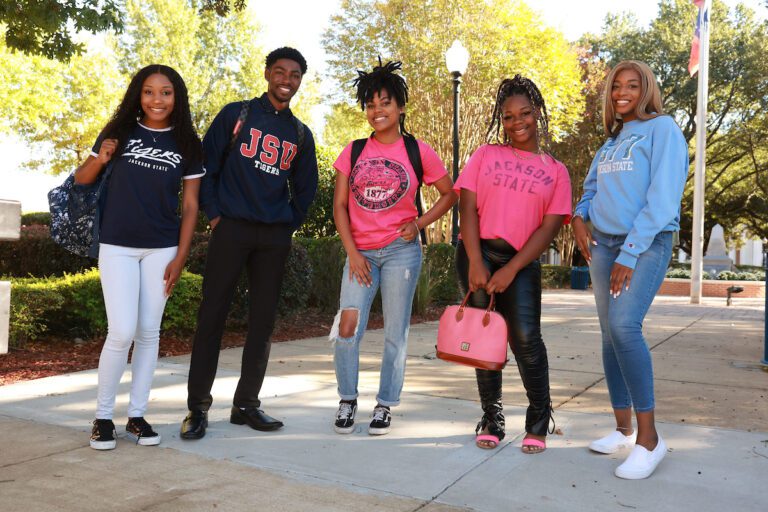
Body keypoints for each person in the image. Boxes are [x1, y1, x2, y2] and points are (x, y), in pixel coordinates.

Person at [180, 47, 318, 440]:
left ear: (299, 81)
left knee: (262, 323)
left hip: (272, 237)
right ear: (267, 74)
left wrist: (287, 225)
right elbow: (206, 166)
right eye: (280, 72)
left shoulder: (300, 134)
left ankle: (246, 405)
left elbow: (306, 190)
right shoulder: (236, 115)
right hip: (232, 228)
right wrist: (215, 213)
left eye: (294, 75)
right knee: (212, 317)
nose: (286, 80)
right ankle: (197, 409)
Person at [76, 65, 204, 450]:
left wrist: (181, 256)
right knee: (122, 332)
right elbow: (82, 179)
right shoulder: (119, 131)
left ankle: (136, 416)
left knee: (149, 332)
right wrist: (101, 157)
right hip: (117, 244)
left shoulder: (188, 143)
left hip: (162, 247)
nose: (157, 100)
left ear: (176, 97)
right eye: (149, 92)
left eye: (166, 92)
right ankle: (102, 418)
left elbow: (192, 206)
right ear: (138, 94)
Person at [572, 60, 687, 479]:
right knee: (608, 334)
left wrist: (630, 252)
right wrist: (578, 218)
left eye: (632, 85)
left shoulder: (664, 130)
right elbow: (590, 190)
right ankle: (622, 430)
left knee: (624, 327)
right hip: (603, 243)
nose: (622, 92)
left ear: (647, 90)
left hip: (646, 243)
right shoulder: (612, 140)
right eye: (617, 86)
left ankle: (650, 440)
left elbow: (663, 198)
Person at [329, 60, 456, 435]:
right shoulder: (352, 152)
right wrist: (352, 252)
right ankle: (347, 399)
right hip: (361, 253)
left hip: (402, 253)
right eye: (370, 105)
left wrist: (419, 223)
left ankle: (385, 404)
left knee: (395, 333)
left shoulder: (418, 150)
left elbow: (450, 194)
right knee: (348, 326)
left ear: (400, 107)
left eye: (384, 103)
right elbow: (340, 206)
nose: (376, 111)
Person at [454, 75, 572, 454]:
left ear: (537, 113)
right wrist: (475, 259)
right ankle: (492, 417)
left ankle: (539, 418)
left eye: (524, 113)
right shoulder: (486, 155)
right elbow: (466, 208)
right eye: (507, 116)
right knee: (485, 338)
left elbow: (547, 230)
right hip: (477, 251)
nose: (516, 121)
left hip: (520, 260)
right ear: (500, 120)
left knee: (525, 339)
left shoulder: (556, 170)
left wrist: (511, 269)